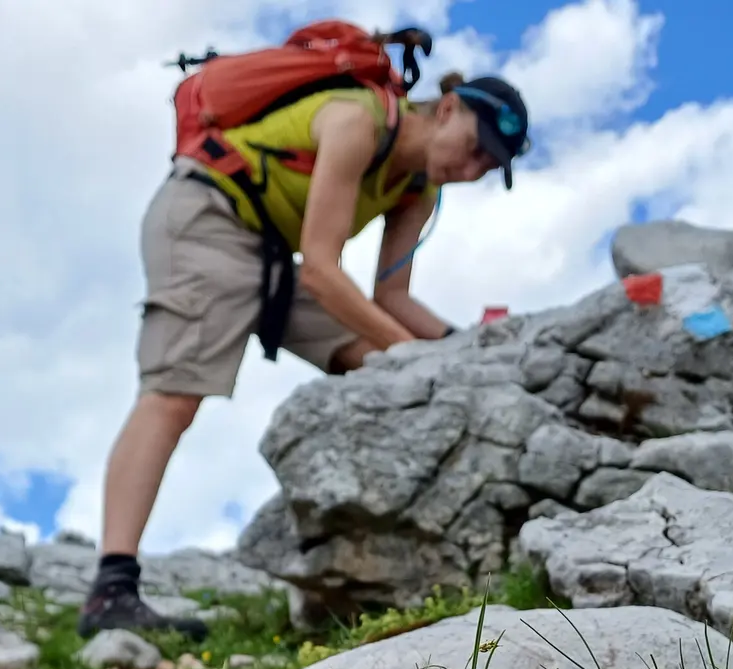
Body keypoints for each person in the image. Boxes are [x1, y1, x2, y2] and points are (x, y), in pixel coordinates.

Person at [77, 69, 532, 639]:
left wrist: (464, 351)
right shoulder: (355, 122)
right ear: (446, 111)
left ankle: (385, 557)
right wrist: (417, 356)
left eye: (485, 167)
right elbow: (320, 269)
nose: (469, 170)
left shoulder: (419, 189)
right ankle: (112, 588)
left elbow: (393, 298)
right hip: (209, 214)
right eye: (473, 149)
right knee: (175, 394)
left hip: (273, 253)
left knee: (381, 368)